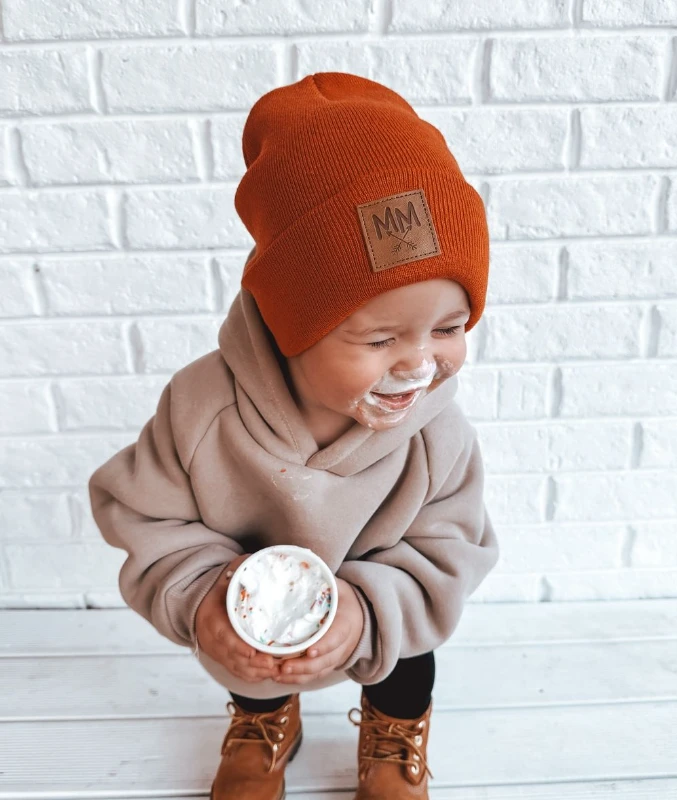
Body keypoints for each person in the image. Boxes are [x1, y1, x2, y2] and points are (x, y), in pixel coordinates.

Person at [89, 71, 500, 800]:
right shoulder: (202, 410)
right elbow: (146, 517)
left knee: (407, 659)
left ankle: (393, 736)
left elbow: (450, 549)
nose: (418, 364)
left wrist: (365, 613)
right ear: (290, 326)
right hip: (254, 620)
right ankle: (263, 722)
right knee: (249, 663)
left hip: (384, 620)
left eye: (447, 328)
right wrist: (202, 599)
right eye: (380, 339)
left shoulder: (436, 434)